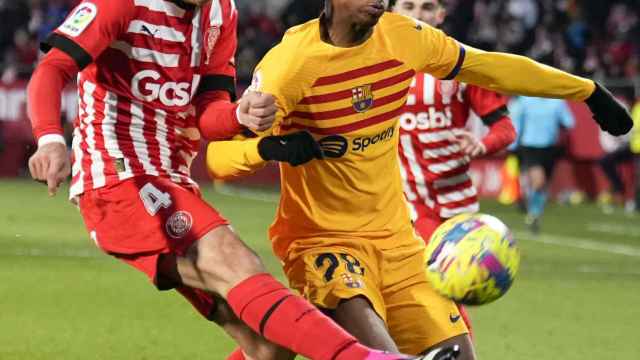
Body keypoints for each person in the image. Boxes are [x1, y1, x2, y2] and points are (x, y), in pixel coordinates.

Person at [206, 0, 631, 358]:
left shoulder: (404, 37)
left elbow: (490, 67)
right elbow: (218, 157)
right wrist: (266, 149)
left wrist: (586, 90)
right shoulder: (291, 62)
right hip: (323, 242)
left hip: (399, 245)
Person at [26, 1, 430, 359]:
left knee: (268, 346)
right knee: (235, 261)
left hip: (172, 180)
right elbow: (53, 68)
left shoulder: (222, 13)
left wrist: (240, 115)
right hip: (119, 179)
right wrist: (50, 140)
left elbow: (208, 113)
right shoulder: (120, 5)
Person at [389, 0, 517, 337]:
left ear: (441, 15)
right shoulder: (376, 63)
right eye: (409, 6)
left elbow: (505, 129)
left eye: (428, 7)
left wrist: (481, 144)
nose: (418, 15)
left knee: (445, 300)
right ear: (392, 12)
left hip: (455, 208)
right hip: (401, 203)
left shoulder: (462, 65)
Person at [509, 96, 575, 233]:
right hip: (530, 146)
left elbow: (569, 122)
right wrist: (513, 145)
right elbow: (518, 122)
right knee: (539, 181)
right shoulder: (525, 100)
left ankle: (534, 213)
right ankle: (532, 211)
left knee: (543, 186)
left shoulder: (557, 102)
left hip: (549, 148)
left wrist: (561, 122)